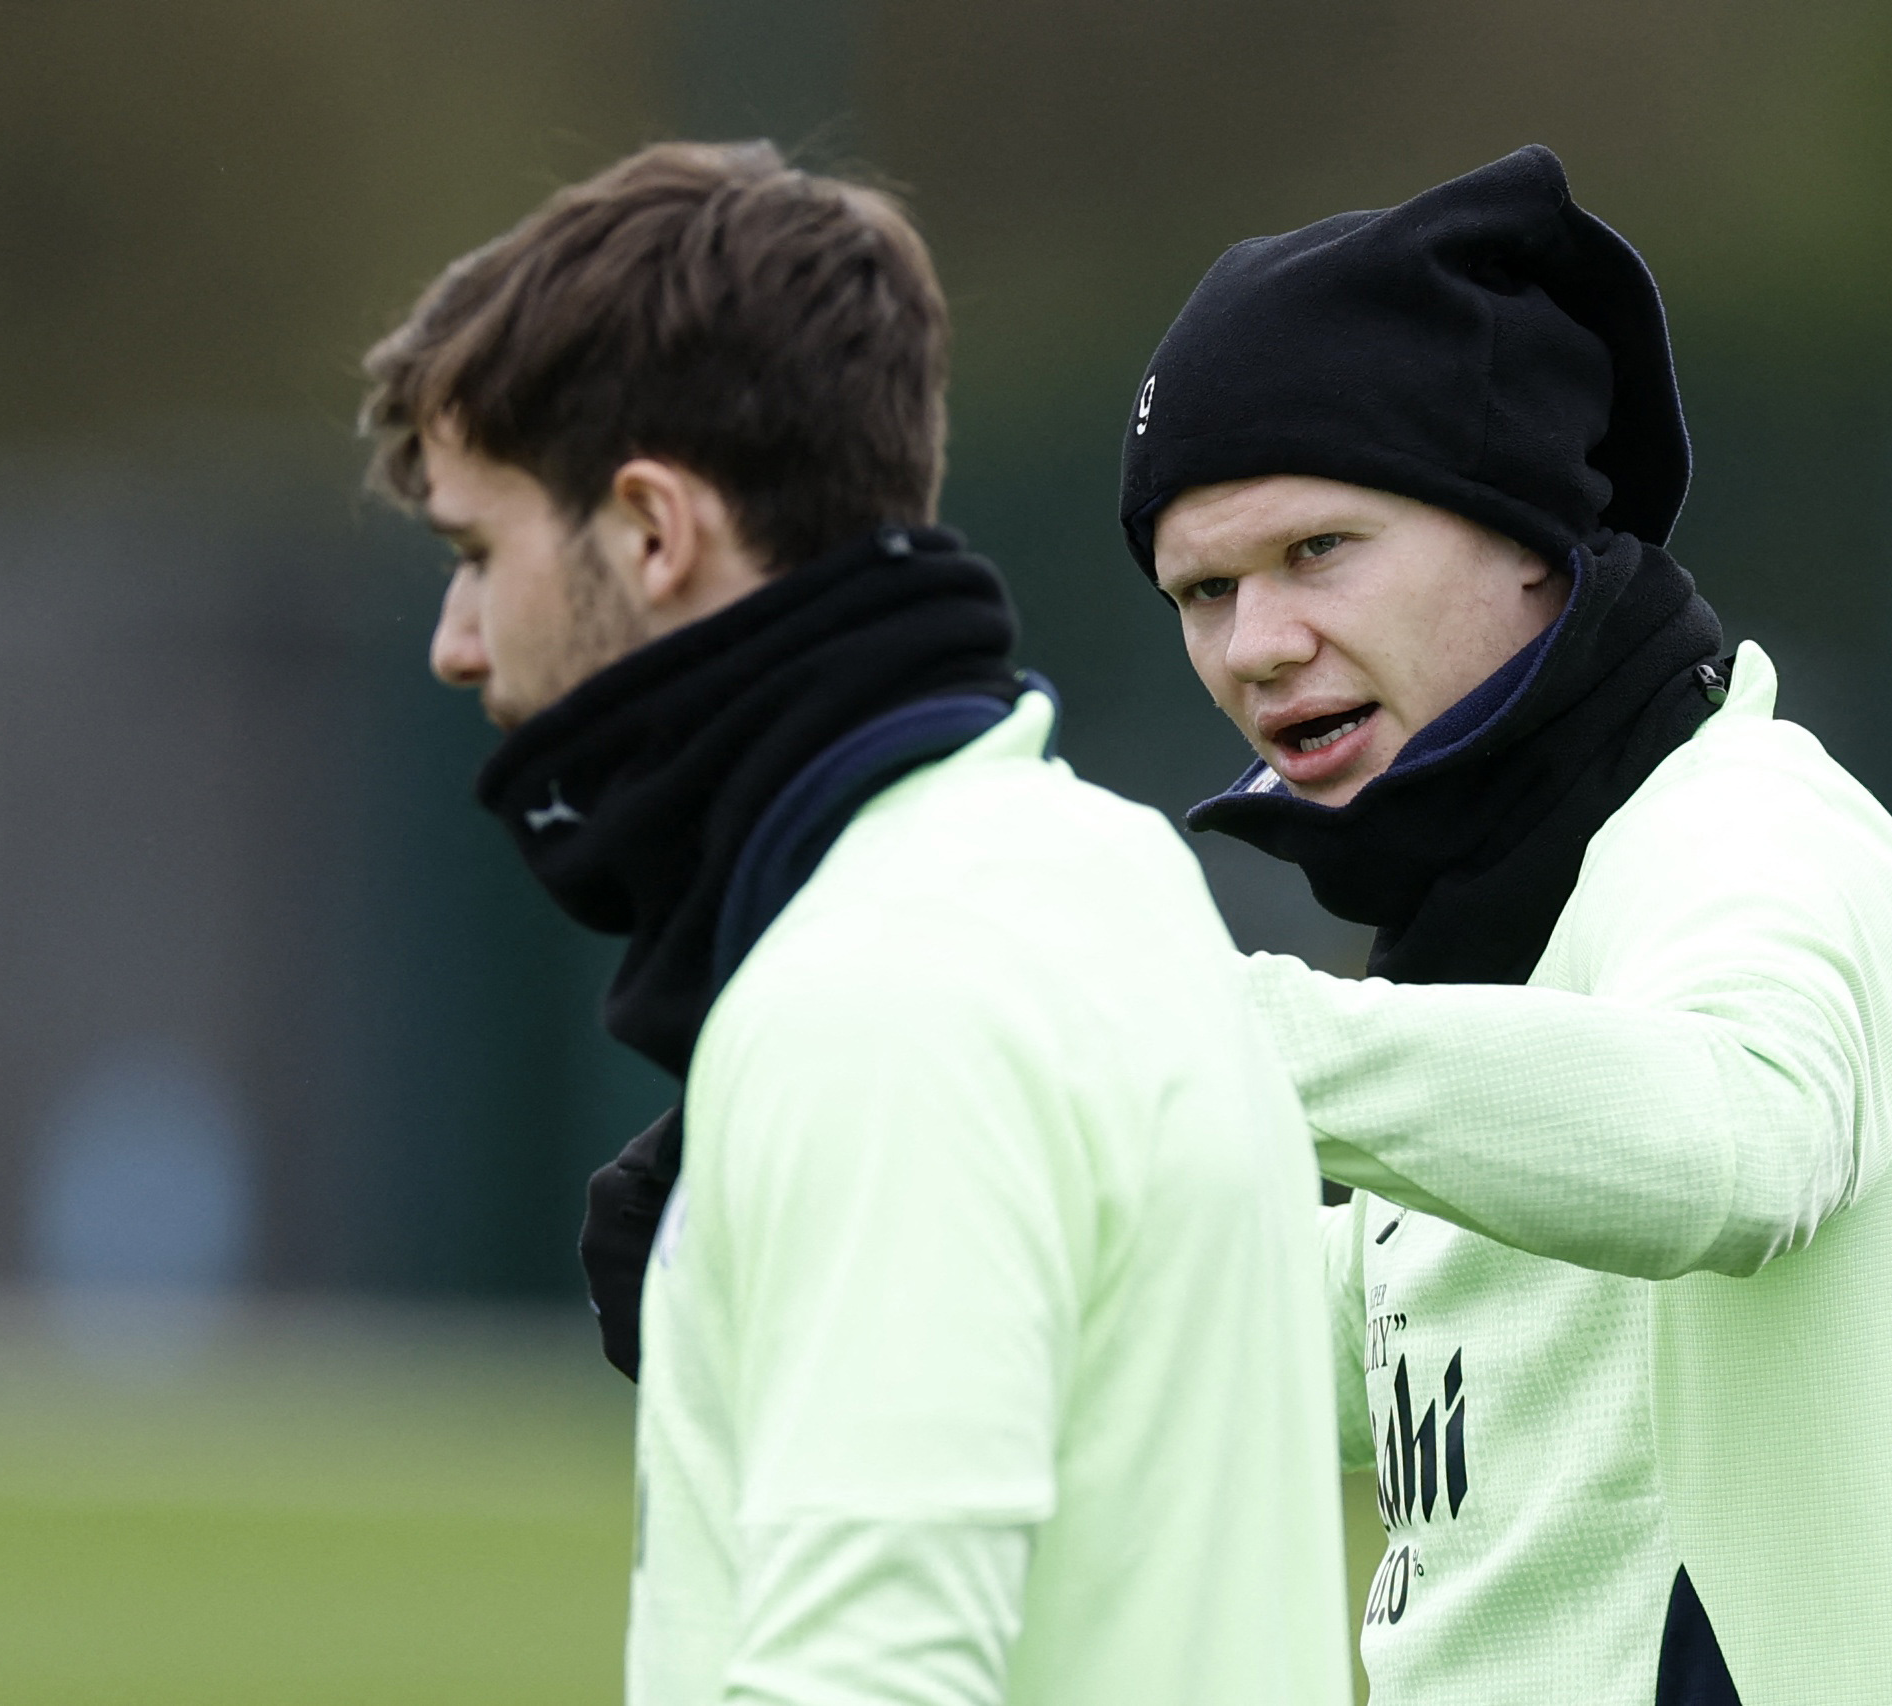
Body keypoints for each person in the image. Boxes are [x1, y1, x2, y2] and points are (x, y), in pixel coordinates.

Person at [361, 140, 1350, 1706]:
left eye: (480, 553)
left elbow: (868, 1678)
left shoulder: (888, 988)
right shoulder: (1096, 873)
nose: (454, 641)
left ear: (651, 528)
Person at [1119, 145, 1892, 1705]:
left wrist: (1206, 1026)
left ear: (1531, 531)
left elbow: (1733, 1140)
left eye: (1316, 549)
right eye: (1201, 591)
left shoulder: (1745, 830)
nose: (1258, 644)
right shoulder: (1503, 910)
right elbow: (1357, 1329)